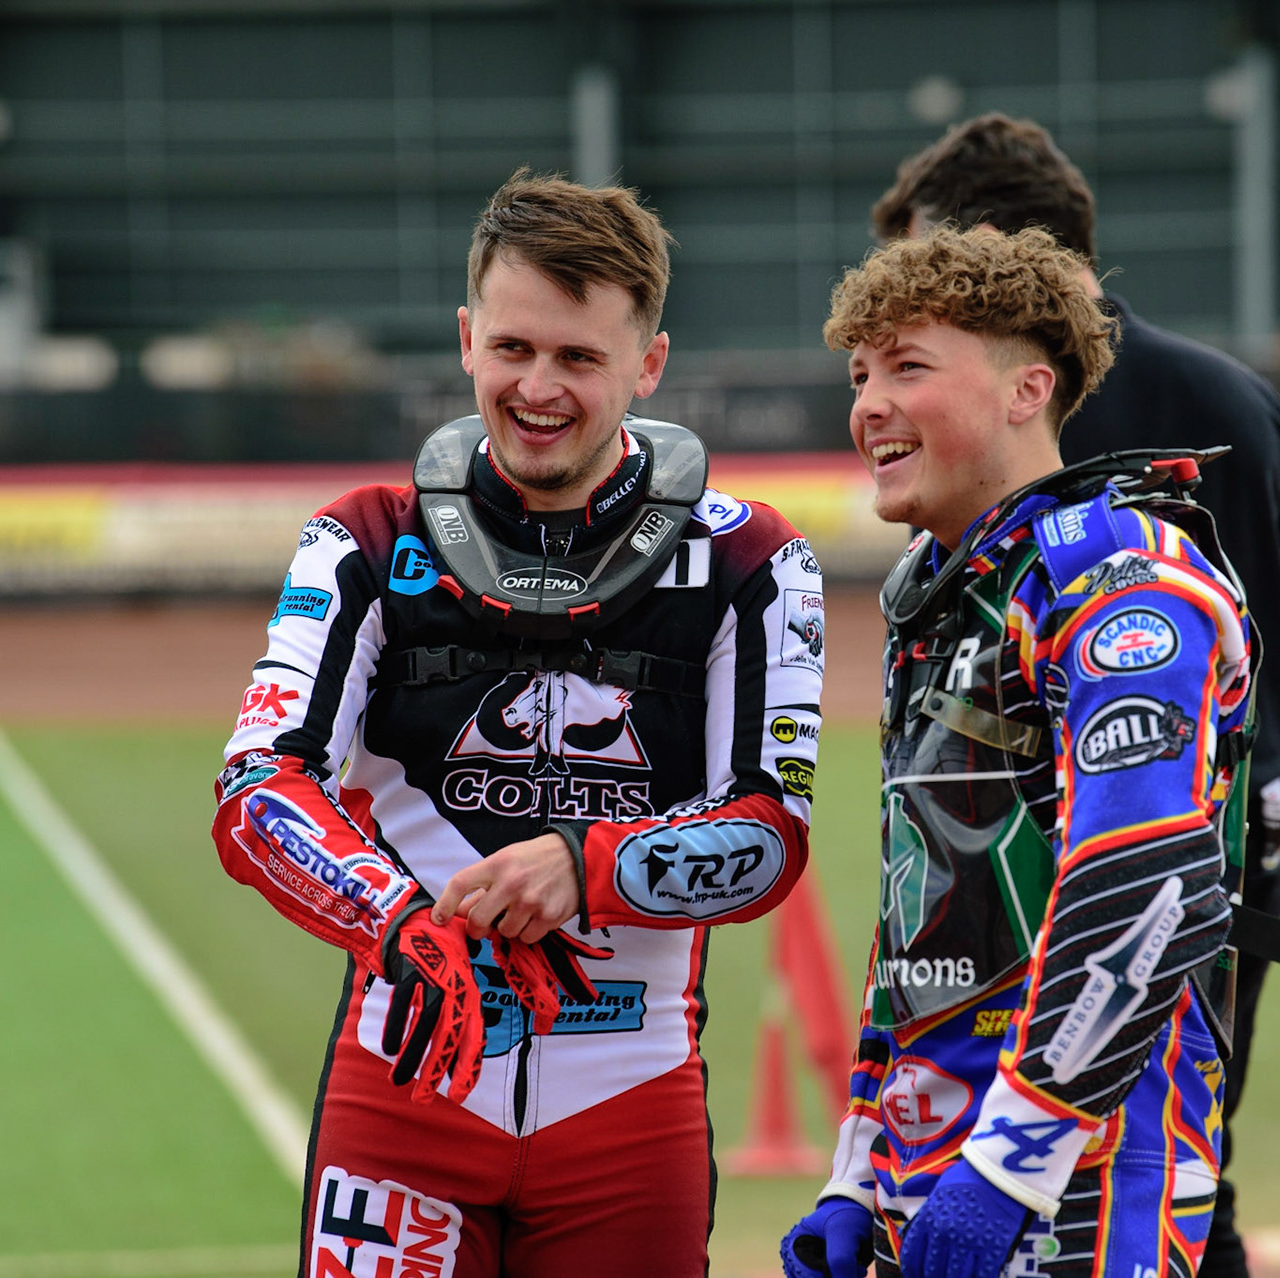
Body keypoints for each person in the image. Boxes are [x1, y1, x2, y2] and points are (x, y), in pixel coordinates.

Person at [210, 171, 825, 1278]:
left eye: (580, 359)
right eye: (513, 349)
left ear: (649, 364)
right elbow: (258, 789)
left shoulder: (753, 560)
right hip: (403, 1086)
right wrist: (401, 923)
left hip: (630, 1101)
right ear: (465, 339)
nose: (539, 389)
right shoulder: (360, 537)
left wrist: (590, 871)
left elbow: (770, 832)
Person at [871, 114, 1280, 1277]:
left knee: (1119, 1158)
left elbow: (1127, 887)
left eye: (913, 332)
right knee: (1193, 1152)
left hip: (1084, 876)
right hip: (1237, 852)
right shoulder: (1230, 393)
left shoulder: (1032, 465)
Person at [782, 224, 1254, 1278]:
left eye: (909, 367)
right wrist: (857, 1167)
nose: (868, 404)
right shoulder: (945, 594)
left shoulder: (1119, 582)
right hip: (932, 1167)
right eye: (860, 374)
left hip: (1078, 1181)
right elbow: (923, 902)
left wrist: (1008, 1169)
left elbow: (1147, 889)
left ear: (1026, 389)